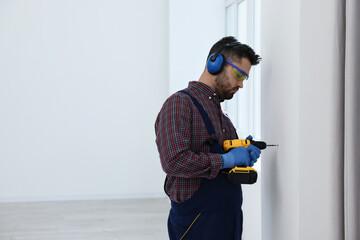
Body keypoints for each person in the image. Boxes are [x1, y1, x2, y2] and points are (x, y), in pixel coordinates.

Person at [155, 36, 262, 240]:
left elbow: (222, 165)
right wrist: (228, 159)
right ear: (215, 63)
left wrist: (243, 157)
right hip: (197, 223)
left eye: (244, 78)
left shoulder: (223, 117)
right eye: (239, 74)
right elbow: (174, 161)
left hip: (229, 219)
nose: (241, 85)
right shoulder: (179, 104)